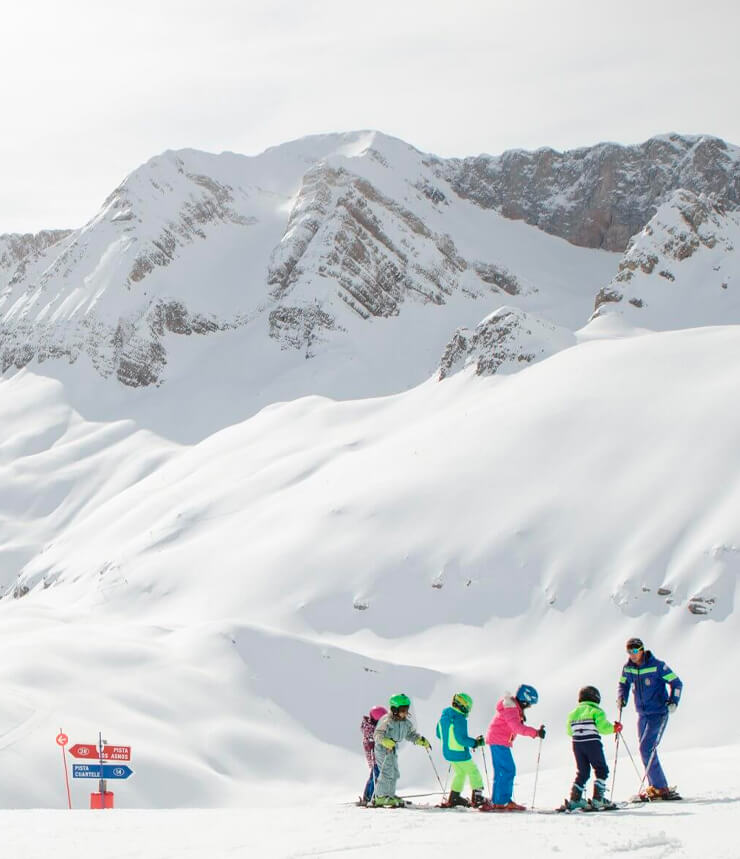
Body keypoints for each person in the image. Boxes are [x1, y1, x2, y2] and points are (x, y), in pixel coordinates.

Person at [617, 637, 683, 800]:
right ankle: (656, 785)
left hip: (658, 713)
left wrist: (673, 702)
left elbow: (677, 683)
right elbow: (623, 684)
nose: (631, 655)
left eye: (634, 651)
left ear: (641, 650)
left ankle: (661, 787)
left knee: (646, 748)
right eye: (629, 651)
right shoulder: (628, 668)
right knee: (645, 749)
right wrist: (621, 697)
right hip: (642, 714)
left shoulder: (657, 666)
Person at [560, 686, 622, 811]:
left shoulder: (572, 713)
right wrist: (614, 728)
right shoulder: (596, 711)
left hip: (577, 744)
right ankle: (598, 799)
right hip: (592, 743)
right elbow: (603, 727)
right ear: (596, 698)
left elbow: (569, 731)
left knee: (583, 771)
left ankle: (575, 799)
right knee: (601, 769)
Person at [486, 684, 545, 811]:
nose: (529, 706)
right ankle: (501, 801)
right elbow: (516, 728)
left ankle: (500, 800)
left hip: (498, 740)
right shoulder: (511, 708)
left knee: (503, 770)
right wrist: (536, 733)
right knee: (507, 769)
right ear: (524, 700)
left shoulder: (512, 708)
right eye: (529, 703)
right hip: (498, 740)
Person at [436, 693, 493, 810]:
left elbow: (438, 734)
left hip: (447, 752)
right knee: (474, 772)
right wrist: (476, 743)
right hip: (460, 753)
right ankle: (477, 798)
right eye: (468, 708)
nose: (468, 711)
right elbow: (461, 740)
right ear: (462, 706)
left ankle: (454, 798)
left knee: (460, 773)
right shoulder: (459, 718)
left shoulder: (444, 717)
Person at [372, 693, 431, 807]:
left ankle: (389, 795)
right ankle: (380, 797)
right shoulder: (386, 720)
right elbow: (377, 734)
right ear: (394, 709)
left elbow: (410, 734)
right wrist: (384, 741)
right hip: (382, 749)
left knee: (394, 773)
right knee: (387, 772)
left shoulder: (405, 723)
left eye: (406, 709)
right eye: (402, 709)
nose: (405, 712)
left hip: (392, 749)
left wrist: (419, 740)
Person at [359, 705, 387, 806]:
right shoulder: (370, 729)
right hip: (374, 757)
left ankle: (376, 795)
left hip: (379, 757)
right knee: (376, 776)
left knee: (378, 776)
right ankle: (369, 796)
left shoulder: (375, 727)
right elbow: (370, 742)